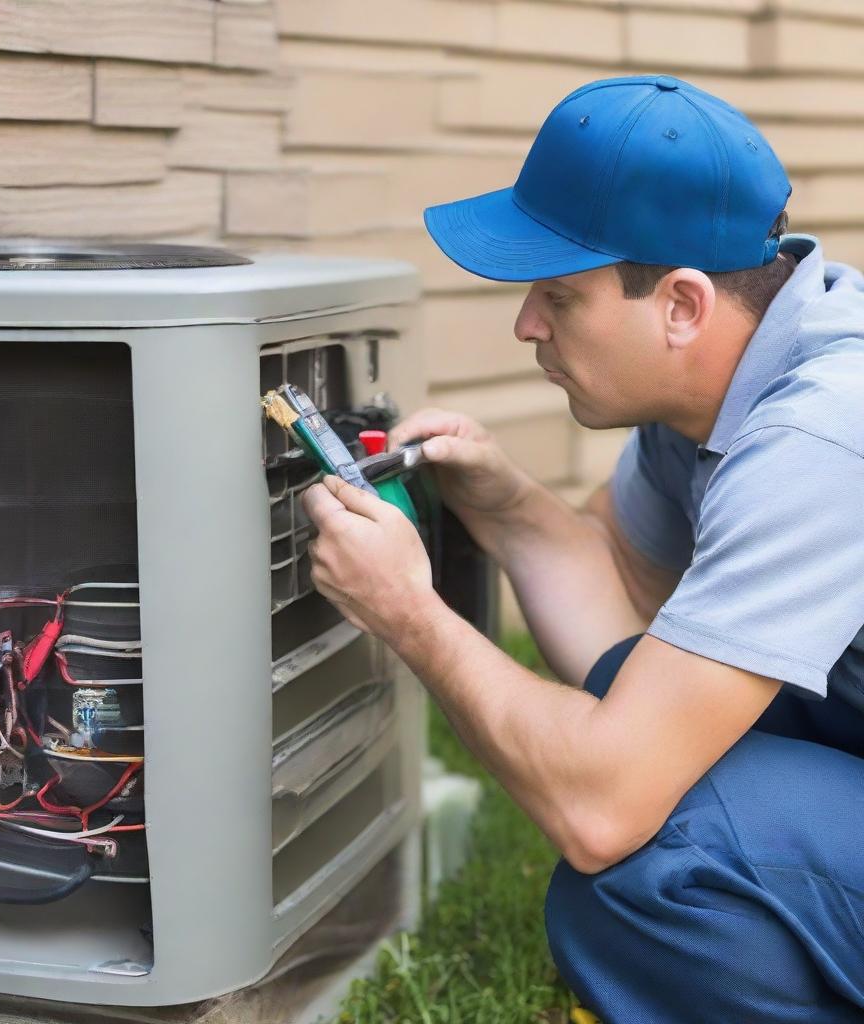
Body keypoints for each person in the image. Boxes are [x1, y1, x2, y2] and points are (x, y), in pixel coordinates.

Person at [301, 74, 864, 1022]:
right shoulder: (711, 386)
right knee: (654, 732)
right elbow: (628, 636)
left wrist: (410, 614)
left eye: (559, 295)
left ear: (681, 305)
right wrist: (509, 504)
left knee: (649, 869)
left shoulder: (817, 437)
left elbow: (603, 808)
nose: (527, 324)